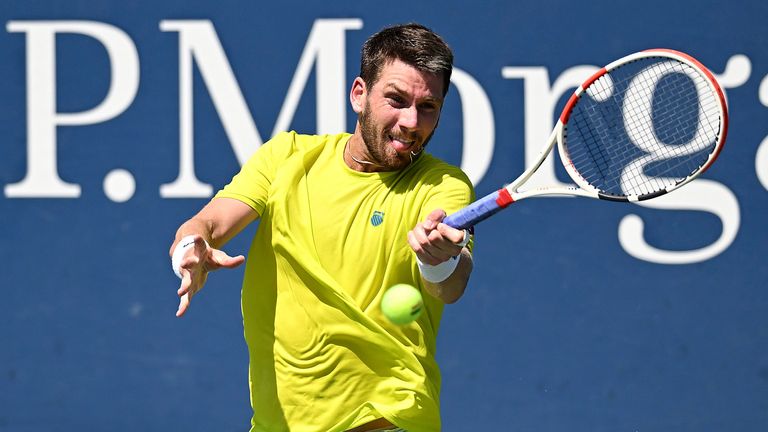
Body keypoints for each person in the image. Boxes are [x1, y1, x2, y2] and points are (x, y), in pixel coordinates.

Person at [169, 23, 475, 432]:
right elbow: (210, 222)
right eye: (396, 100)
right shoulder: (287, 157)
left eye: (428, 107)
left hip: (388, 418)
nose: (410, 121)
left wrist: (440, 261)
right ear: (359, 94)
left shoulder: (444, 185)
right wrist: (191, 245)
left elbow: (450, 285)